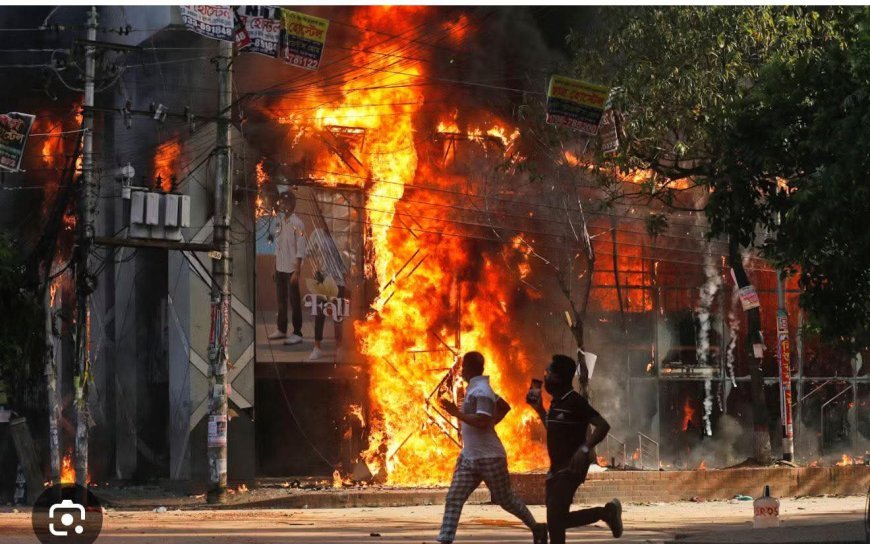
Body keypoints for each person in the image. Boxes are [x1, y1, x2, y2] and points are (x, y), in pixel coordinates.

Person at [437, 351, 548, 544]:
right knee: (454, 498)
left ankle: (537, 527)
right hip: (469, 457)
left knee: (506, 500)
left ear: (468, 369)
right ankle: (445, 540)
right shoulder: (477, 388)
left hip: (490, 457)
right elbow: (503, 406)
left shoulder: (482, 391)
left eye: (462, 367)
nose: (460, 371)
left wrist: (456, 413)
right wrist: (492, 422)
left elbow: (482, 420)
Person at [527, 354, 623, 544]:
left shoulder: (575, 401)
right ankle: (607, 512)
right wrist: (539, 410)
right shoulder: (556, 401)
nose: (545, 377)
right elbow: (554, 429)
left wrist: (585, 449)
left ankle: (606, 512)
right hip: (556, 469)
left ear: (559, 377)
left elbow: (603, 425)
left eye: (549, 373)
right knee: (557, 522)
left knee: (555, 521)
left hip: (571, 468)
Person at [267, 191, 307, 345]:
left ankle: (297, 333)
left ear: (291, 204)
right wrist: (274, 267)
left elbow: (301, 247)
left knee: (294, 302)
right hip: (280, 268)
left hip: (291, 270)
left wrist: (297, 271)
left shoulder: (298, 224)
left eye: (284, 203)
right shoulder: (280, 223)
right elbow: (278, 248)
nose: (281, 206)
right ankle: (281, 329)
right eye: (281, 203)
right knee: (281, 301)